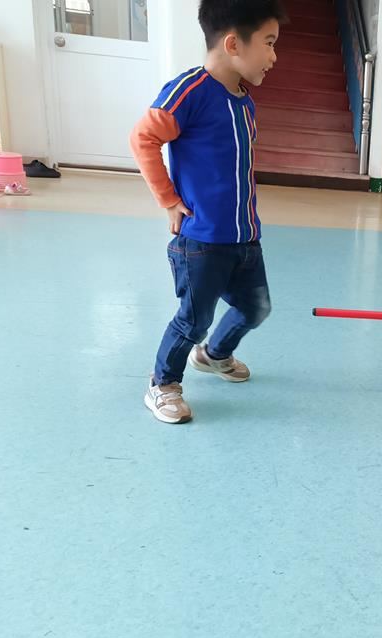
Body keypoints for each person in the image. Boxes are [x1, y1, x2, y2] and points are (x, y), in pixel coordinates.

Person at [130, 0, 286, 423]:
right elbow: (143, 138)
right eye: (269, 43)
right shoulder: (190, 91)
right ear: (234, 44)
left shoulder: (245, 102)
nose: (274, 56)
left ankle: (214, 355)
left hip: (245, 237)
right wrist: (168, 200)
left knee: (256, 308)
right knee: (194, 320)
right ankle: (162, 384)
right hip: (201, 241)